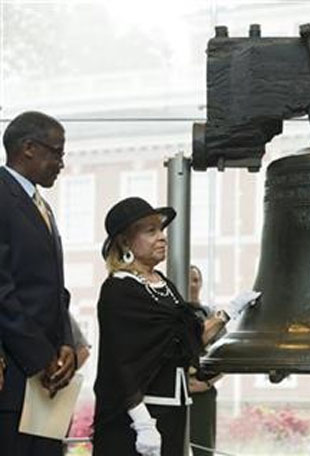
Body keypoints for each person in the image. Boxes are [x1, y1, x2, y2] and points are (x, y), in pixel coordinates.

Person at [92, 197, 259, 456]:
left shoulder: (163, 284)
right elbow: (119, 363)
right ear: (125, 242)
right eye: (151, 231)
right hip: (137, 418)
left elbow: (187, 339)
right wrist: (142, 422)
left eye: (161, 229)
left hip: (173, 412)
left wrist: (230, 310)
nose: (162, 237)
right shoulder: (119, 289)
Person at [0, 111, 76, 456]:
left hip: (46, 379)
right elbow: (3, 290)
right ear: (29, 147)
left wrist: (66, 343)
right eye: (57, 152)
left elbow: (54, 291)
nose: (61, 163)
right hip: (14, 376)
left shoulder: (41, 206)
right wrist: (41, 355)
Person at [188, 264, 223, 456]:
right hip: (172, 392)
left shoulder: (210, 316)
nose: (192, 285)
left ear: (201, 283)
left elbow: (226, 357)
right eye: (188, 280)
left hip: (202, 394)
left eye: (196, 280)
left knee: (203, 449)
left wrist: (207, 384)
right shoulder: (167, 314)